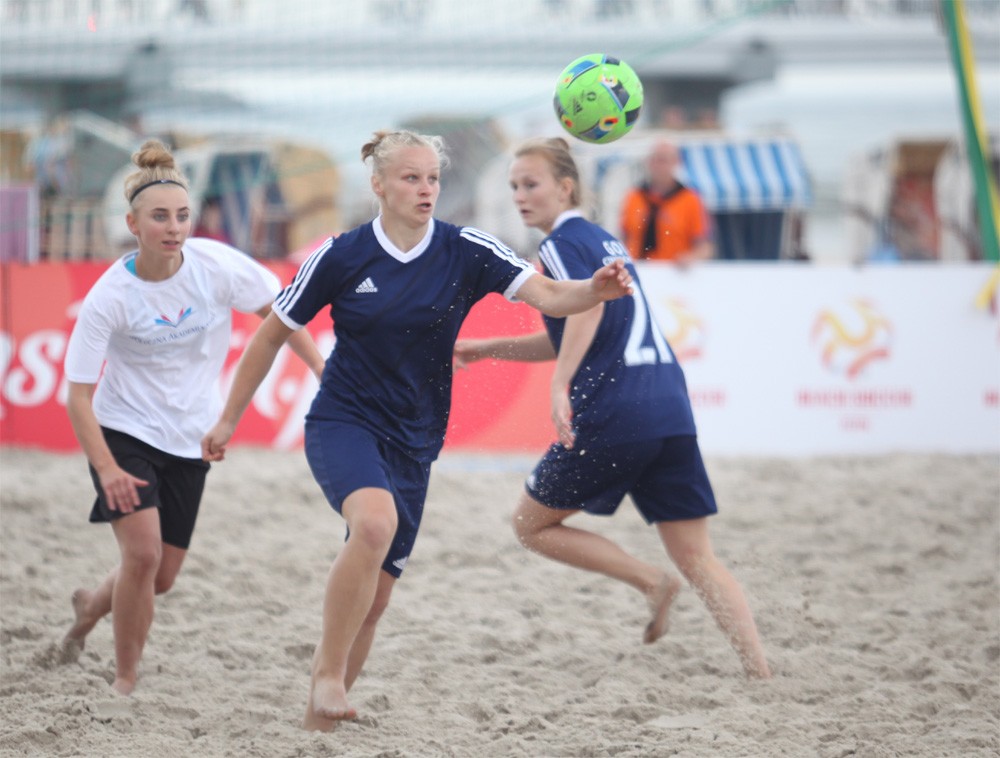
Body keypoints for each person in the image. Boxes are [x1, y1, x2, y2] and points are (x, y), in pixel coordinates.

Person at [200, 129, 634, 731]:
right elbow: (272, 333)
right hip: (345, 419)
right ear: (378, 185)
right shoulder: (342, 254)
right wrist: (228, 417)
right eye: (411, 178)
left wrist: (595, 289)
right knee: (374, 524)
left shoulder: (467, 249)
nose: (426, 189)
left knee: (376, 600)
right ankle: (325, 673)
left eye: (432, 178)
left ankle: (319, 726)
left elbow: (551, 295)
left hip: (416, 438)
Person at [454, 137, 770, 679]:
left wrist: (559, 386)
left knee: (531, 525)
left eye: (531, 185)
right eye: (513, 187)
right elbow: (574, 329)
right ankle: (759, 671)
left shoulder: (557, 246)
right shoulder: (606, 242)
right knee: (698, 555)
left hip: (616, 408)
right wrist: (485, 350)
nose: (520, 197)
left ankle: (651, 582)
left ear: (565, 187)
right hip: (668, 403)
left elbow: (588, 316)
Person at [60, 139, 325, 695]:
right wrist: (107, 469)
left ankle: (89, 607)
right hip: (123, 432)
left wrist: (323, 371)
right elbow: (78, 397)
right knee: (142, 554)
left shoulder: (215, 265)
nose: (174, 226)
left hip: (190, 436)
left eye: (182, 215)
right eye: (160, 217)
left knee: (160, 577)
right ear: (133, 223)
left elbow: (283, 316)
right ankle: (125, 681)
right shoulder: (110, 295)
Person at [618, 139, 714, 264]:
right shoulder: (634, 196)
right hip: (639, 270)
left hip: (674, 274)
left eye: (663, 160)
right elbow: (624, 237)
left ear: (676, 163)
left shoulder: (690, 199)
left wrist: (691, 258)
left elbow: (705, 247)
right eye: (654, 159)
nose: (658, 165)